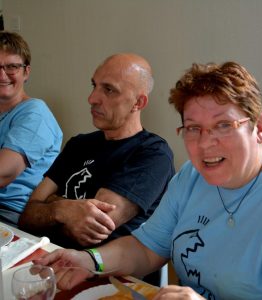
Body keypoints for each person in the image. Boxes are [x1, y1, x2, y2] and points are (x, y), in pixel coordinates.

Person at [34, 61, 262, 299]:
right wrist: (90, 261)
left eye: (223, 125)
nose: (206, 143)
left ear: (260, 129)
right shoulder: (191, 176)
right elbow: (145, 249)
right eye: (193, 128)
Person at [19, 53, 175, 252]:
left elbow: (91, 233)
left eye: (109, 90)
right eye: (94, 85)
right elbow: (28, 215)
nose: (92, 98)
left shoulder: (153, 154)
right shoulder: (79, 144)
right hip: (46, 257)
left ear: (138, 103)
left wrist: (50, 205)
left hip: (103, 273)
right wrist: (64, 210)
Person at [0, 31, 63, 226]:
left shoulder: (35, 113)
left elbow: (3, 174)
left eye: (12, 67)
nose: (2, 75)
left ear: (26, 72)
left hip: (10, 214)